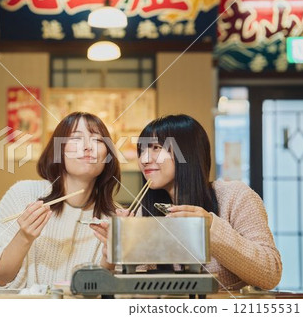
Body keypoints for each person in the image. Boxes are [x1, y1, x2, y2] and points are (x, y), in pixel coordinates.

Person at [92, 114, 282, 290]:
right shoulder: (144, 212)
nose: (144, 159)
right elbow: (134, 290)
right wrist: (117, 251)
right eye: (141, 150)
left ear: (187, 153)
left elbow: (269, 275)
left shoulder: (234, 196)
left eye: (156, 148)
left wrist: (210, 228)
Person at [0, 112, 121, 289]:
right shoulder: (23, 194)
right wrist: (24, 237)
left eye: (97, 140)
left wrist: (110, 258)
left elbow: (103, 294)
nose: (87, 146)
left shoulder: (114, 219)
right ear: (58, 150)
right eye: (76, 138)